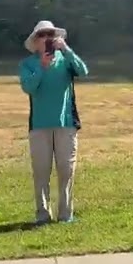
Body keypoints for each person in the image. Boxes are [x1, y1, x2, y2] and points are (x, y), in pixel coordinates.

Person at [19, 20, 88, 225]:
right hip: (39, 125)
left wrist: (66, 50)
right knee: (41, 171)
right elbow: (28, 87)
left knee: (66, 169)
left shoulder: (65, 59)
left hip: (65, 123)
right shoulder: (28, 64)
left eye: (50, 34)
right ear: (35, 41)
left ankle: (65, 214)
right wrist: (42, 67)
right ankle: (42, 214)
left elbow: (83, 71)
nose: (47, 38)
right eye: (42, 35)